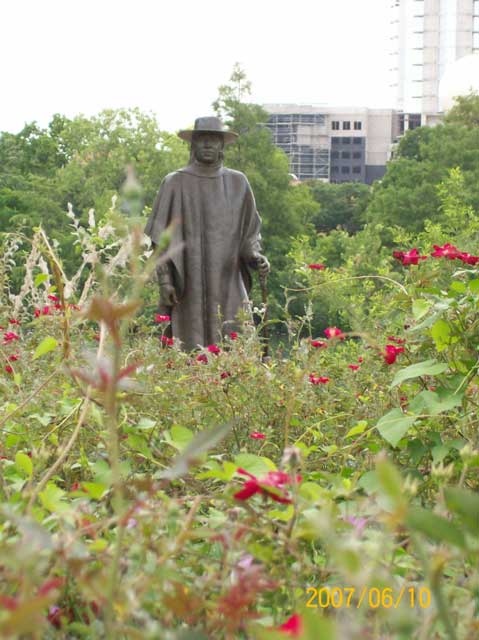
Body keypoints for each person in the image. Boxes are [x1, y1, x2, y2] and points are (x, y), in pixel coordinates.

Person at [144, 116, 270, 351]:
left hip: (228, 279)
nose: (208, 145)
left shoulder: (238, 183)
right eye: (202, 140)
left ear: (222, 145)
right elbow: (159, 239)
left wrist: (255, 258)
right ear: (193, 144)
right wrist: (165, 281)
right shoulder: (174, 183)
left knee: (236, 341)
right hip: (188, 284)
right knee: (186, 347)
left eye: (214, 140)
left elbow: (249, 234)